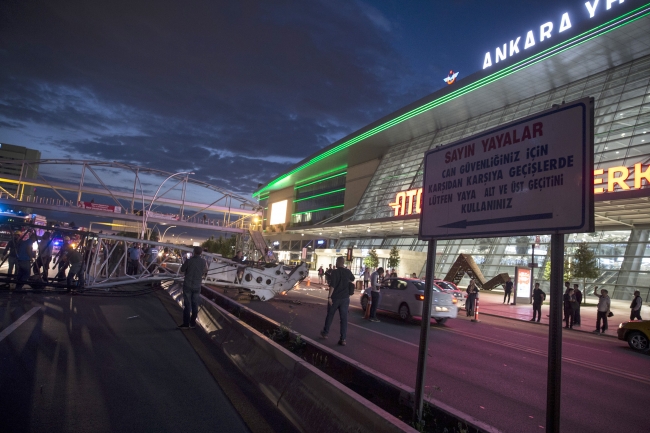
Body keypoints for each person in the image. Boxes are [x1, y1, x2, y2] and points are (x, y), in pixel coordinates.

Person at [320, 256, 355, 346]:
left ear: (339, 262)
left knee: (330, 315)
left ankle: (325, 333)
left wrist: (329, 297)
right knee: (344, 319)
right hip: (345, 299)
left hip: (335, 298)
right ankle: (343, 339)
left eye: (336, 261)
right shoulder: (347, 272)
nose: (335, 262)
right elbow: (352, 278)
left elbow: (333, 285)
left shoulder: (334, 272)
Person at [178, 246, 208, 329]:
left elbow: (182, 270)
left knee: (187, 305)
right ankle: (192, 323)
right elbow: (205, 271)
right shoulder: (203, 261)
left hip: (188, 284)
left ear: (193, 252)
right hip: (197, 285)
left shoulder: (189, 260)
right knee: (195, 304)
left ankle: (186, 324)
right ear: (201, 253)